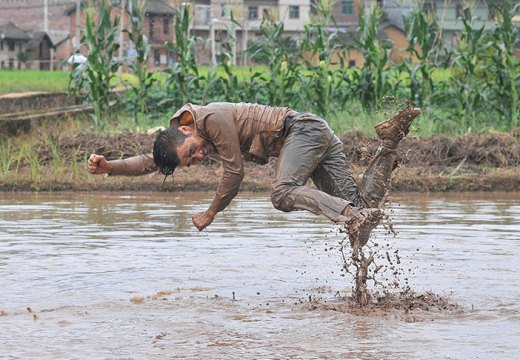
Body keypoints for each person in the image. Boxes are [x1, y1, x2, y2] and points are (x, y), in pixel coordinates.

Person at [88, 103, 421, 247]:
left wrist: (211, 212)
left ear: (186, 128)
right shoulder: (190, 135)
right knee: (362, 221)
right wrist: (110, 167)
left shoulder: (213, 120)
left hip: (301, 131)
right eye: (192, 161)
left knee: (282, 193)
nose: (200, 157)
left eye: (193, 152)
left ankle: (348, 214)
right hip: (312, 134)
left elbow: (235, 173)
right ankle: (389, 142)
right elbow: (150, 161)